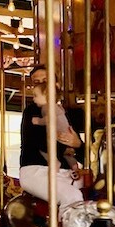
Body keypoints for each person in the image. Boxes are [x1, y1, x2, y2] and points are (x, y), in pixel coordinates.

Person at [19, 65, 84, 210]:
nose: (42, 85)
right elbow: (38, 142)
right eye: (37, 82)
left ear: (56, 85)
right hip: (38, 170)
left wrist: (78, 144)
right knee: (72, 197)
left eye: (46, 81)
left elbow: (83, 153)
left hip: (66, 173)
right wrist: (68, 147)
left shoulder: (66, 113)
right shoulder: (33, 111)